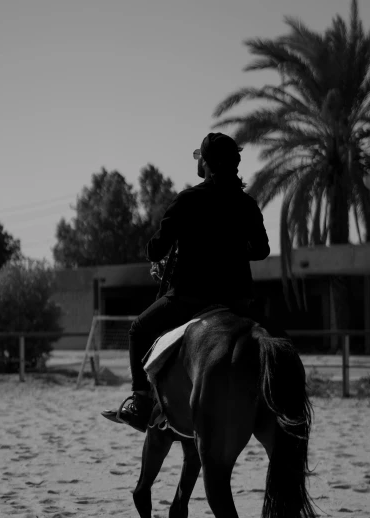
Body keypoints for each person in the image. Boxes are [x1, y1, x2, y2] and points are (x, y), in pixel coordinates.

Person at [101, 132, 271, 432]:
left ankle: (140, 402)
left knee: (138, 330)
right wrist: (232, 248)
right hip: (238, 301)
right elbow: (261, 250)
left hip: (190, 298)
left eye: (199, 158)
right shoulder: (247, 204)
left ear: (205, 163)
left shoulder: (188, 200)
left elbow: (154, 250)